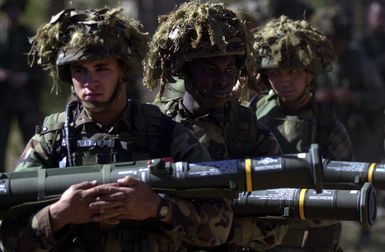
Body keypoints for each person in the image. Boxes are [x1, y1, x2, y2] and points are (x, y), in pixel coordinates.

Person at [0, 8, 233, 251]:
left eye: (102, 68)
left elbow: (219, 228)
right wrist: (59, 215)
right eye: (80, 70)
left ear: (123, 70)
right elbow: (8, 239)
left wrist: (159, 208)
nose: (91, 82)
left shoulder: (166, 133)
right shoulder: (51, 140)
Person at [144, 1, 286, 251]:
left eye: (229, 69)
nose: (222, 80)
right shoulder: (154, 125)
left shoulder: (250, 133)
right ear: (185, 72)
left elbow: (278, 219)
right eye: (210, 70)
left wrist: (217, 231)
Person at [249, 16, 354, 251]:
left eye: (293, 71)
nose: (284, 81)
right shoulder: (252, 113)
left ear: (309, 72)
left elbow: (344, 196)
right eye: (275, 73)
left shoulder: (327, 125)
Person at [311, 6, 385, 163]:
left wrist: (352, 97)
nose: (333, 45)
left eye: (337, 39)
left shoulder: (358, 60)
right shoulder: (312, 63)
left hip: (359, 136)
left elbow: (379, 97)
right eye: (328, 39)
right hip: (320, 134)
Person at [0, 0, 44, 172]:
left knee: (35, 140)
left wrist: (26, 78)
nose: (13, 12)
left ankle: (33, 176)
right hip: (2, 99)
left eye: (17, 8)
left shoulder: (29, 36)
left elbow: (40, 68)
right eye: (10, 8)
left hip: (25, 99)